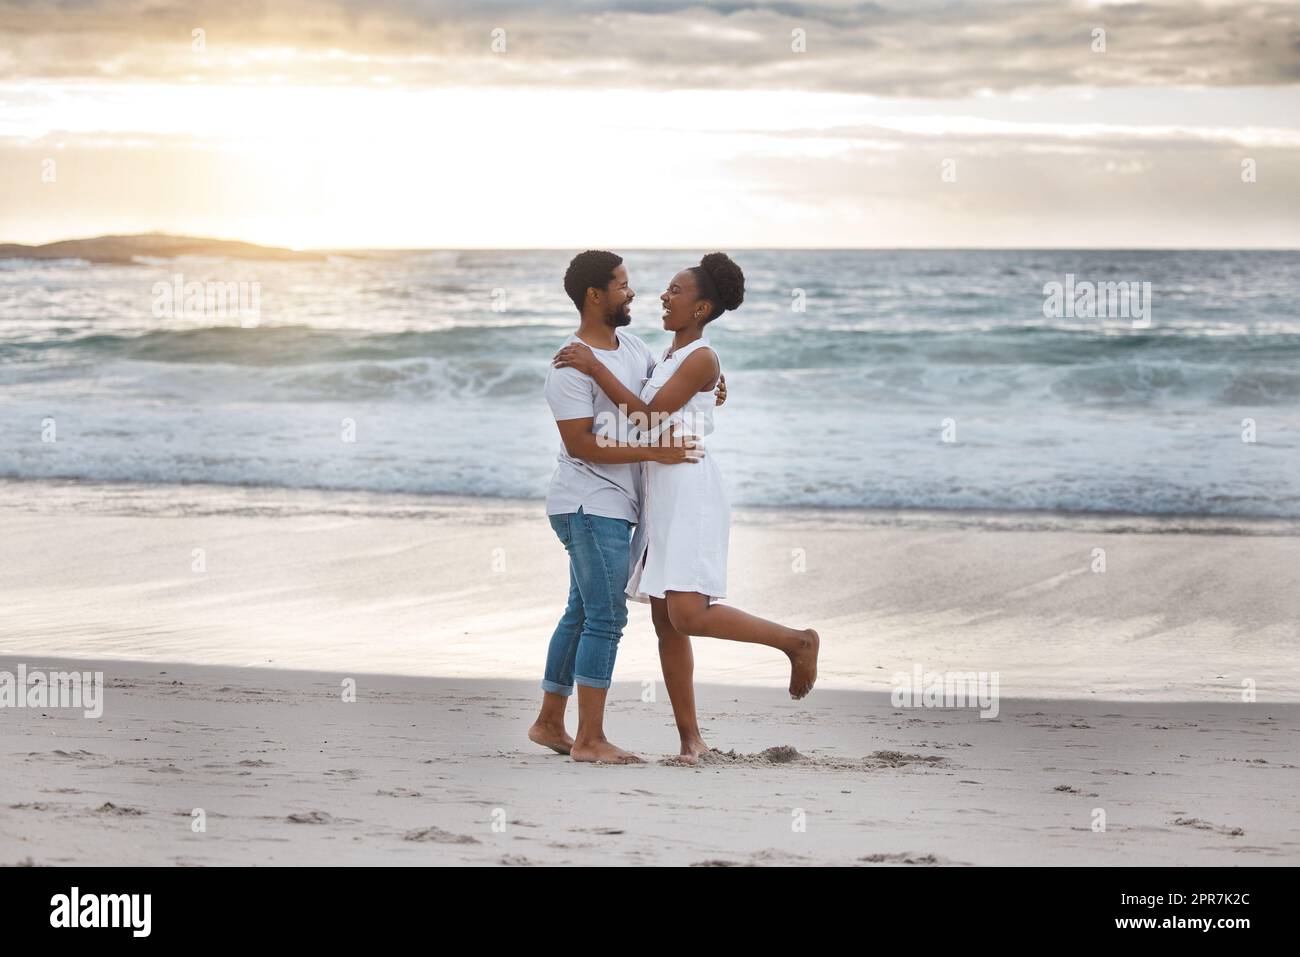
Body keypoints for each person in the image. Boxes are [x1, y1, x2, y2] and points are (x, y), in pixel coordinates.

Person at [553, 252, 819, 765]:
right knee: (667, 624)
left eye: (675, 291)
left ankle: (796, 642)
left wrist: (593, 365)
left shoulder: (701, 356)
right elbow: (663, 403)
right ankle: (691, 741)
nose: (662, 295)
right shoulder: (670, 357)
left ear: (700, 308)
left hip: (689, 487)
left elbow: (647, 416)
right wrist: (707, 394)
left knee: (688, 613)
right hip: (660, 490)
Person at [528, 250, 722, 765]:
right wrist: (653, 453)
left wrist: (712, 385)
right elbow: (581, 445)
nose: (632, 292)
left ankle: (549, 723)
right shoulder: (569, 364)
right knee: (606, 617)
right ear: (595, 296)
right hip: (588, 502)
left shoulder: (634, 349)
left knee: (581, 613)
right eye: (621, 285)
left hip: (618, 506)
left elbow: (660, 397)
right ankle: (589, 739)